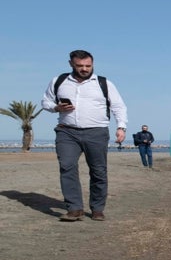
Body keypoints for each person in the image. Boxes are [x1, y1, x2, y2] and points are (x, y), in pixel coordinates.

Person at [42, 50, 129, 222]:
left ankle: (97, 209)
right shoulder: (59, 81)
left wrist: (121, 127)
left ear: (93, 64)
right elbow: (46, 102)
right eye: (80, 66)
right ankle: (74, 209)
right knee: (67, 167)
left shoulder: (104, 83)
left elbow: (119, 107)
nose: (84, 69)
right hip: (66, 131)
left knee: (98, 171)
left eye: (88, 66)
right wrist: (56, 108)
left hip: (96, 132)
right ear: (71, 64)